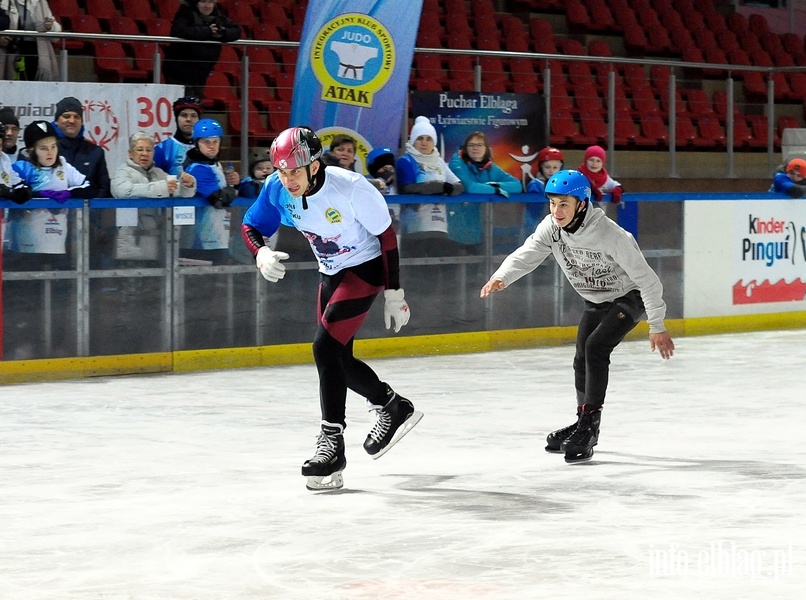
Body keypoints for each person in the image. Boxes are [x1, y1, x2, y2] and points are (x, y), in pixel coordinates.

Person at [241, 126, 422, 491]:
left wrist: (394, 291)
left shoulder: (351, 187)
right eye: (281, 171)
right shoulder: (276, 188)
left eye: (294, 171)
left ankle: (332, 445)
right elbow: (251, 225)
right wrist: (259, 252)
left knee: (323, 348)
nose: (288, 180)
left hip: (366, 268)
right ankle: (392, 405)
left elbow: (387, 239)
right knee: (337, 358)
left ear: (314, 164)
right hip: (331, 272)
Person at [480, 169, 675, 463]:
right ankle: (582, 420)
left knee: (596, 348)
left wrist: (656, 325)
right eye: (553, 204)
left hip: (628, 297)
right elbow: (529, 252)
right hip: (595, 299)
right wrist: (502, 276)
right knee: (581, 356)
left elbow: (648, 281)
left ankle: (590, 428)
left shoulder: (611, 235)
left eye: (564, 205)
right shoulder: (551, 228)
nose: (557, 212)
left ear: (582, 204)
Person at [111, 131, 197, 262]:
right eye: (140, 149)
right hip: (130, 241)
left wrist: (187, 185)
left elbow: (177, 190)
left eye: (148, 150)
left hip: (156, 243)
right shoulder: (123, 171)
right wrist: (161, 188)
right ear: (130, 153)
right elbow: (123, 191)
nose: (144, 153)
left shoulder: (158, 173)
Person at [395, 115, 463, 256]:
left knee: (438, 272)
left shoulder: (439, 162)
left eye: (428, 139)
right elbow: (405, 188)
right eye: (420, 138)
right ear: (413, 140)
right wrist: (437, 187)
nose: (424, 143)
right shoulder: (406, 160)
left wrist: (449, 189)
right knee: (418, 274)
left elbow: (459, 185)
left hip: (440, 227)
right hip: (415, 228)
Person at [448, 131, 522, 254]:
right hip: (455, 226)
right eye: (471, 145)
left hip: (479, 228)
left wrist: (495, 185)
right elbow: (470, 188)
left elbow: (517, 186)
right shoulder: (457, 163)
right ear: (465, 148)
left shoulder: (491, 167)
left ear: (486, 148)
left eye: (479, 145)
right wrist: (496, 190)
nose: (475, 148)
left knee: (477, 266)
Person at [180, 117, 239, 264]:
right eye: (206, 142)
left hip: (216, 238)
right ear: (196, 143)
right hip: (199, 243)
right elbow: (219, 199)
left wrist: (236, 182)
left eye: (215, 141)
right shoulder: (197, 168)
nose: (211, 146)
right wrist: (235, 191)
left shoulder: (214, 165)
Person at [164, 0, 241, 98]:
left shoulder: (218, 14)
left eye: (210, 2)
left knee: (194, 104)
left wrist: (222, 33)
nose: (207, 6)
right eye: (203, 2)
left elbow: (236, 31)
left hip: (201, 71)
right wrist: (208, 31)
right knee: (183, 104)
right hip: (180, 70)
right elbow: (180, 30)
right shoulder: (185, 13)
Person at [0, 0, 60, 81]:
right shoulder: (4, 2)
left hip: (35, 52)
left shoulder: (41, 3)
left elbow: (56, 35)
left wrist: (49, 27)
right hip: (11, 48)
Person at [153, 96, 203, 177]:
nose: (189, 119)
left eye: (193, 115)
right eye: (184, 115)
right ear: (176, 119)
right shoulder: (162, 149)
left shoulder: (204, 148)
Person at [522, 146, 565, 240]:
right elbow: (533, 210)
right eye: (547, 167)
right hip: (534, 226)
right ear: (541, 167)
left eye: (555, 167)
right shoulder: (535, 184)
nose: (551, 171)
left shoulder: (563, 185)